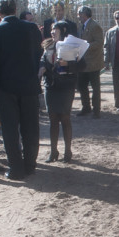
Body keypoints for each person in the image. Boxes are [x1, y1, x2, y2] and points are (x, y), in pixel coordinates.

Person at [0, 0, 43, 180]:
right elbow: (38, 53)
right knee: (31, 127)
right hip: (29, 86)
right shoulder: (31, 28)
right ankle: (30, 165)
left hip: (6, 88)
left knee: (10, 130)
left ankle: (16, 169)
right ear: (16, 10)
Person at [40, 21, 85, 163]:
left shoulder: (72, 45)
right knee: (53, 119)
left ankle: (68, 151)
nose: (53, 32)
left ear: (63, 31)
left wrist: (68, 64)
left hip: (66, 86)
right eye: (52, 29)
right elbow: (42, 60)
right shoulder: (48, 45)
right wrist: (43, 67)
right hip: (51, 86)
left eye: (56, 29)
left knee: (65, 118)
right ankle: (53, 152)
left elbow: (82, 65)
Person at [75, 5, 104, 118]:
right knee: (81, 86)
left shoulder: (95, 26)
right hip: (83, 63)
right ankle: (86, 107)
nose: (78, 16)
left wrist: (86, 46)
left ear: (84, 14)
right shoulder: (81, 26)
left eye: (79, 14)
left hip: (93, 63)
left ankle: (96, 111)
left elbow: (99, 42)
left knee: (95, 88)